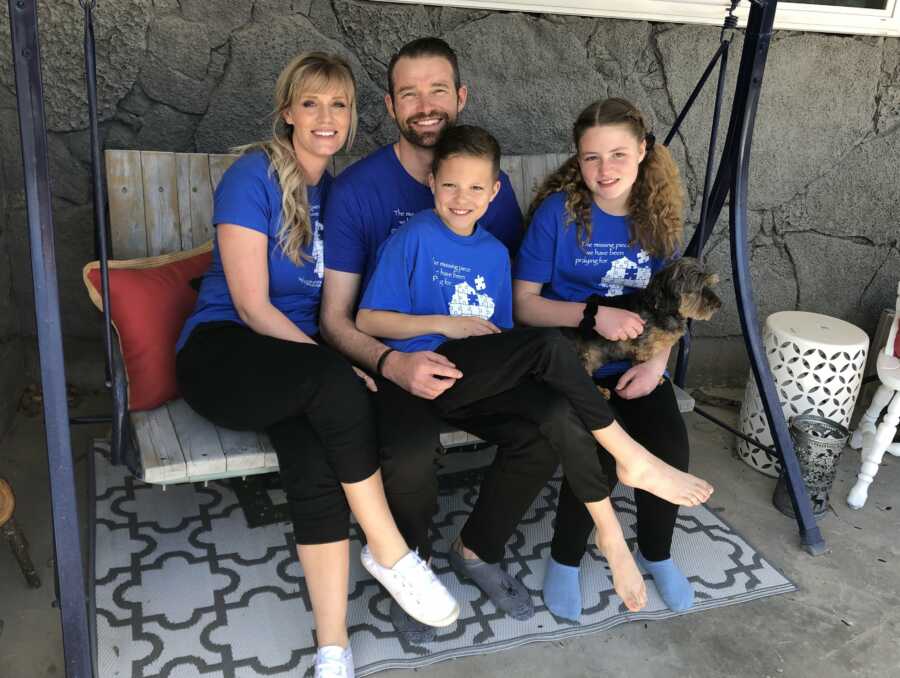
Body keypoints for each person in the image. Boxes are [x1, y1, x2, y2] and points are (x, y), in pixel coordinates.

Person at [174, 52, 458, 678]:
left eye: (338, 105)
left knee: (314, 464)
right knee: (336, 385)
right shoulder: (254, 176)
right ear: (287, 113)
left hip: (300, 369)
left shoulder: (339, 191)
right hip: (226, 351)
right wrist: (334, 367)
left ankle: (332, 649)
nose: (325, 117)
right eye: (311, 103)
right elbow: (250, 307)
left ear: (354, 116)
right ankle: (389, 550)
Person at [356, 124, 714, 614]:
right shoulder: (413, 236)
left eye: (476, 187)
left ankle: (476, 549)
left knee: (551, 414)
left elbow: (502, 339)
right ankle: (412, 568)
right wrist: (450, 324)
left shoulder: (492, 254)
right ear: (431, 183)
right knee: (546, 348)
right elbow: (368, 319)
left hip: (469, 378)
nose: (462, 198)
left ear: (495, 192)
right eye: (450, 185)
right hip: (417, 365)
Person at [321, 38, 552, 640]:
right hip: (395, 358)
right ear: (392, 104)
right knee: (408, 451)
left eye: (438, 90)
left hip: (471, 364)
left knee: (540, 429)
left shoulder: (486, 190)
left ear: (461, 97)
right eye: (409, 93)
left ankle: (476, 548)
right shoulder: (359, 191)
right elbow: (340, 318)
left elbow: (506, 303)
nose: (425, 105)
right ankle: (411, 566)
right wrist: (392, 364)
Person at [513, 97, 699, 621]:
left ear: (643, 150)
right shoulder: (559, 214)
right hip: (572, 362)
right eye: (592, 158)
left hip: (636, 360)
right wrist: (592, 314)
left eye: (618, 154)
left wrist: (657, 364)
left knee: (667, 442)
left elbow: (672, 305)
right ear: (578, 159)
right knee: (593, 452)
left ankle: (656, 553)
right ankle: (566, 556)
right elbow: (523, 303)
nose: (605, 170)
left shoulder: (657, 216)